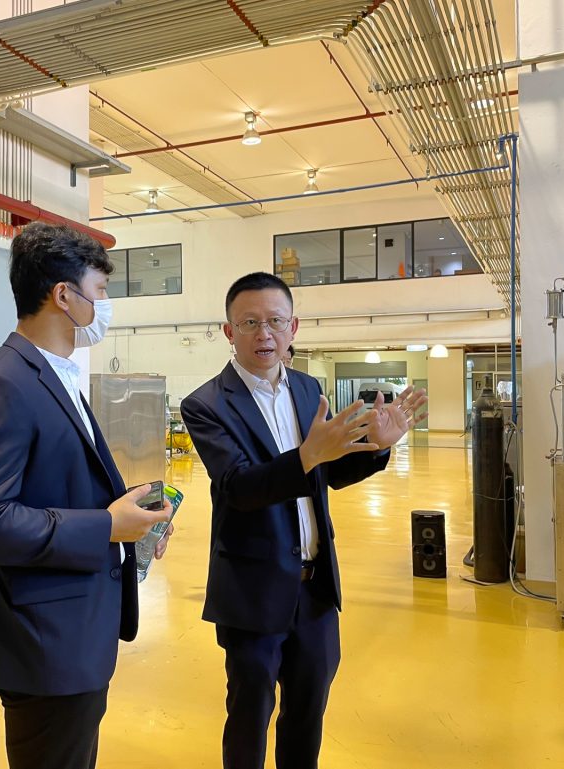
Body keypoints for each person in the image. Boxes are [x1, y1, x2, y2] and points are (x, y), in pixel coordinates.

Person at [0, 223, 173, 769]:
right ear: (64, 295)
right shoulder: (2, 384)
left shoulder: (56, 375)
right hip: (42, 642)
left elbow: (59, 484)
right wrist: (106, 527)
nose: (104, 305)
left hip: (74, 632)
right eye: (99, 291)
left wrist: (133, 519)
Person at [180, 272, 426, 769]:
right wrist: (309, 455)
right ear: (229, 332)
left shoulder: (310, 389)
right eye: (249, 323)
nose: (264, 334)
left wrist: (378, 448)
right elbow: (239, 487)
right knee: (249, 717)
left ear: (293, 327)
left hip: (315, 592)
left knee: (307, 714)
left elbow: (327, 474)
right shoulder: (206, 404)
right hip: (252, 591)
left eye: (275, 321)